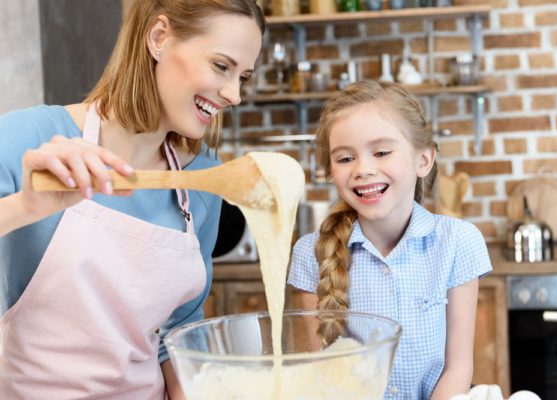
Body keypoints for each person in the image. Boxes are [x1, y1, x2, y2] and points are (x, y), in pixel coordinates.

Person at [0, 0, 264, 398]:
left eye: (243, 76)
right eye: (221, 66)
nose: (234, 94)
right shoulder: (27, 138)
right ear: (159, 38)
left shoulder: (203, 178)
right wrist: (26, 207)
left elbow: (176, 336)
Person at [287, 80, 492, 400]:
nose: (363, 169)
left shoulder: (458, 242)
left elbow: (457, 368)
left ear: (423, 160)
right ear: (330, 170)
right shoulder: (311, 253)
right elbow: (322, 376)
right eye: (344, 159)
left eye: (381, 152)